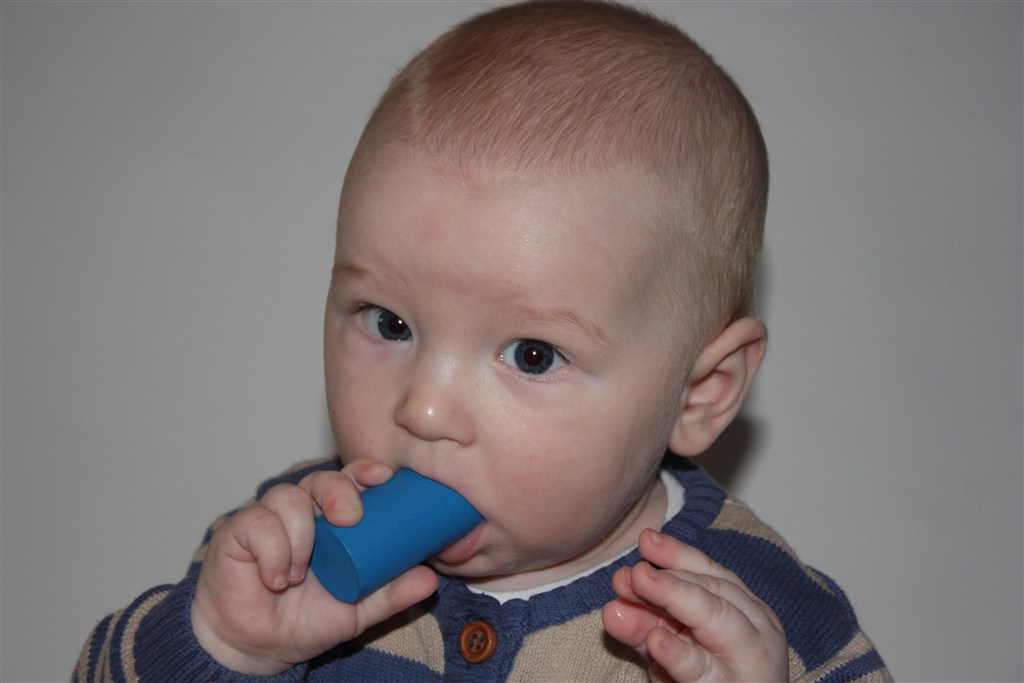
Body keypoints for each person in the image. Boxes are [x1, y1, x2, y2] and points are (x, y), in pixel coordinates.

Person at [75, 2, 890, 681]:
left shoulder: (757, 612)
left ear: (701, 392)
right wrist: (223, 646)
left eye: (532, 354)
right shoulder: (290, 548)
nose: (424, 409)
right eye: (389, 323)